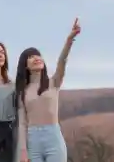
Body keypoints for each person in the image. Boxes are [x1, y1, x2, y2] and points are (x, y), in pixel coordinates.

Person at [15, 18, 81, 162]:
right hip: (33, 141)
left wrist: (69, 40)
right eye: (31, 57)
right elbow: (22, 123)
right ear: (25, 65)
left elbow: (62, 61)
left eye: (38, 55)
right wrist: (23, 150)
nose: (36, 58)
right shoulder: (22, 92)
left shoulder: (53, 82)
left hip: (53, 138)